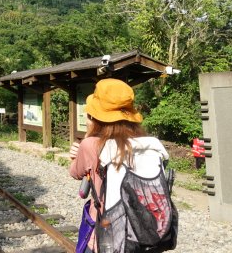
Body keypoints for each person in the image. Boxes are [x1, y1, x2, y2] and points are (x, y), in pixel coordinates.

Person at [69, 78, 169, 253]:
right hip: (142, 232)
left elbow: (76, 173)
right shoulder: (147, 144)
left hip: (105, 236)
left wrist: (83, 143)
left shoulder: (90, 145)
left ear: (95, 117)